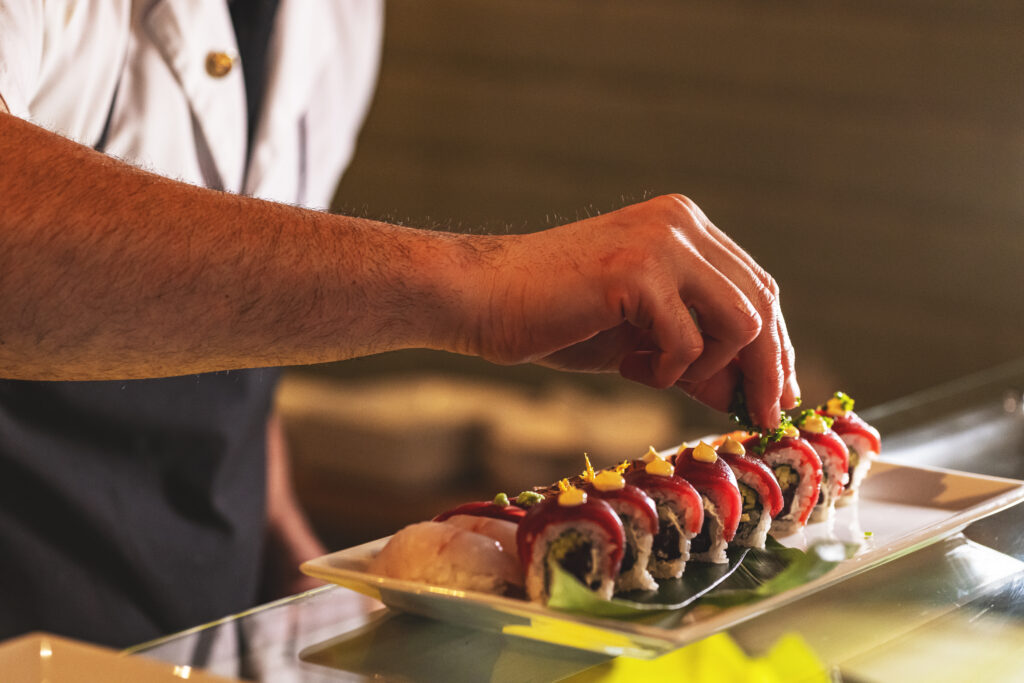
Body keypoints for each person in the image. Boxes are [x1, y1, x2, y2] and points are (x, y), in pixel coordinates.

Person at [0, 1, 799, 647]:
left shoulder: (340, 19)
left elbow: (225, 297)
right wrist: (475, 287)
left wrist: (281, 529)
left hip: (197, 612)